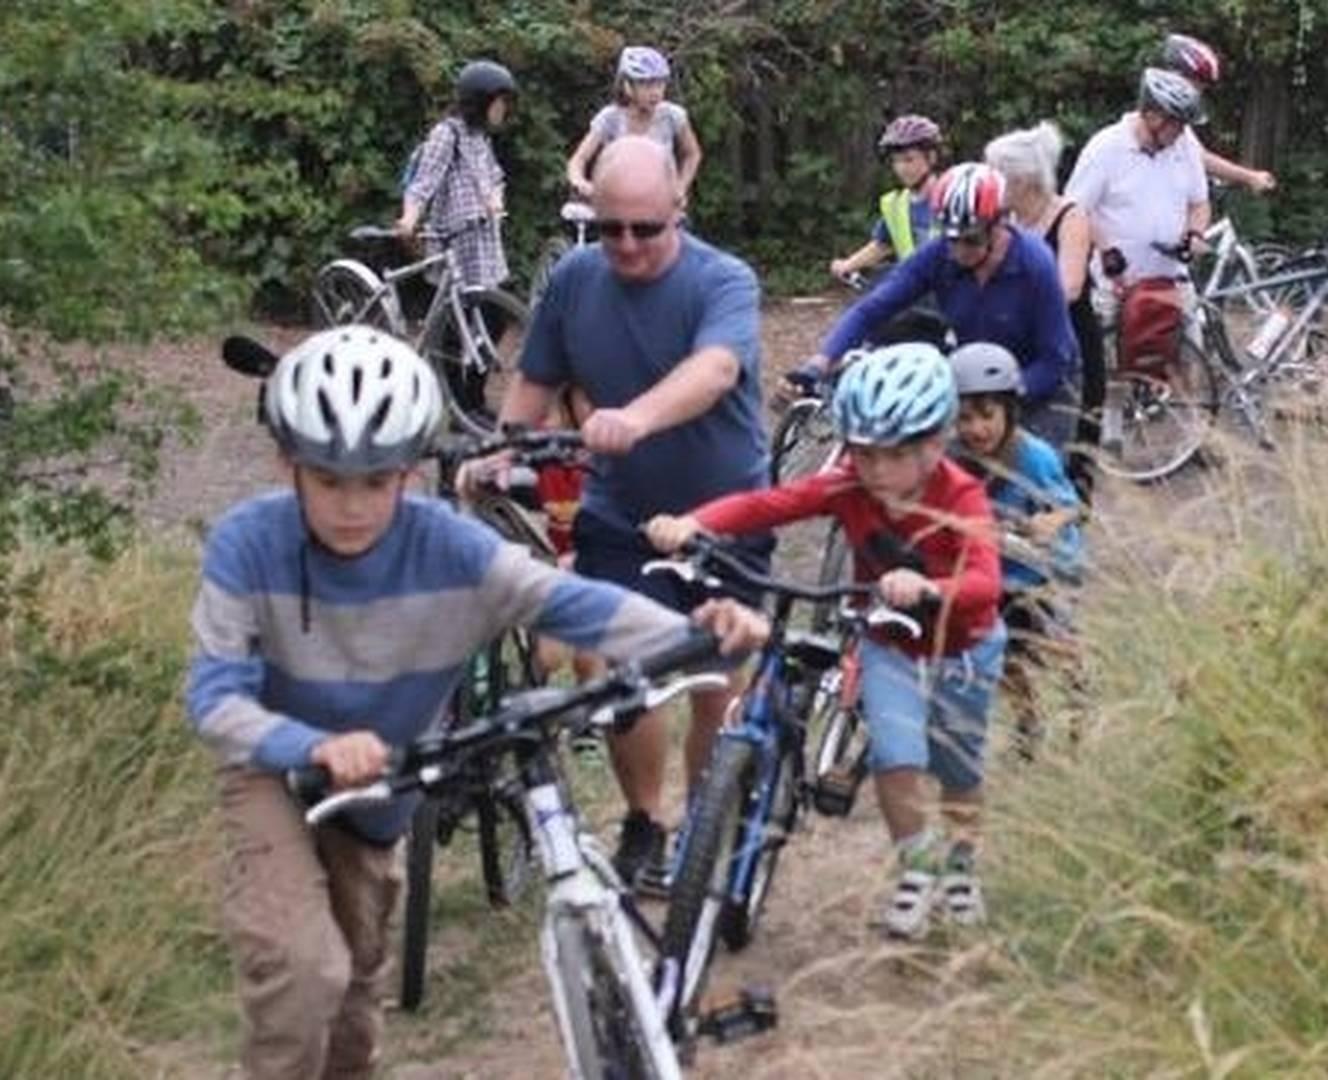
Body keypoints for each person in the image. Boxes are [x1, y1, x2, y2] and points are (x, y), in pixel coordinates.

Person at [185, 326, 767, 1078]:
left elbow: (566, 601)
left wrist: (699, 632)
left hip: (384, 783)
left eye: (378, 480)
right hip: (272, 767)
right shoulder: (247, 543)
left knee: (356, 985)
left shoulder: (449, 547)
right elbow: (215, 697)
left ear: (410, 475)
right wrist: (311, 748)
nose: (353, 505)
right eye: (329, 481)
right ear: (286, 466)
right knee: (304, 975)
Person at [473, 135, 771, 890]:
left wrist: (634, 419)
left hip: (725, 514)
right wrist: (504, 451)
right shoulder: (575, 281)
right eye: (612, 230)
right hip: (622, 514)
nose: (629, 245)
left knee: (716, 682)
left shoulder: (722, 280)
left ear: (678, 209)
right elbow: (535, 381)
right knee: (628, 677)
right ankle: (646, 821)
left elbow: (717, 369)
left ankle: (707, 819)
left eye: (647, 228)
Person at [647, 343, 1005, 940]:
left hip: (963, 646)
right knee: (897, 756)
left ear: (935, 447)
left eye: (893, 456)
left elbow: (986, 582)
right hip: (889, 642)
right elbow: (771, 504)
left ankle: (962, 868)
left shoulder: (960, 496)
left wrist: (930, 586)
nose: (875, 471)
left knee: (958, 770)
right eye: (863, 454)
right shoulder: (850, 485)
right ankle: (917, 868)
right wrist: (696, 522)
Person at [788, 163, 1082, 451]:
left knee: (1030, 479)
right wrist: (819, 363)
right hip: (978, 378)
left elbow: (1054, 359)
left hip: (1041, 380)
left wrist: (1003, 399)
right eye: (951, 239)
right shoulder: (939, 255)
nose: (959, 252)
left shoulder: (1035, 264)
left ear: (1000, 226)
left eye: (971, 240)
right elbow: (872, 310)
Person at [948, 342, 1084, 758]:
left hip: (1040, 570)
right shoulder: (955, 459)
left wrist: (1049, 522)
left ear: (1009, 412)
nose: (977, 429)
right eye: (965, 418)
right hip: (993, 574)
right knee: (1006, 654)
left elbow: (1071, 504)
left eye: (987, 415)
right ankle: (1028, 720)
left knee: (1048, 641)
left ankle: (1078, 699)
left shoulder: (1032, 455)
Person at [984, 121, 1103, 500]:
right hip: (1023, 343)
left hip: (1073, 343)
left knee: (1072, 456)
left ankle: (1069, 538)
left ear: (1022, 179)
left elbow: (1069, 287)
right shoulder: (1007, 221)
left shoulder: (1071, 217)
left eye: (996, 174)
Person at [1065, 68, 1212, 319]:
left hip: (1172, 283)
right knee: (1114, 355)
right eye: (1177, 124)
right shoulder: (1106, 147)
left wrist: (1194, 234)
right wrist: (1107, 251)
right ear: (1153, 116)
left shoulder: (1185, 146)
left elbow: (1200, 203)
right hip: (1118, 286)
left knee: (1187, 355)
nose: (1182, 132)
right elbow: (1075, 211)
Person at [397, 59, 515, 290]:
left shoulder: (480, 137)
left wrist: (495, 199)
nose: (503, 108)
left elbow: (494, 176)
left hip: (482, 238)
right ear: (481, 101)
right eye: (499, 102)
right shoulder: (447, 134)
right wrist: (409, 217)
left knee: (487, 311)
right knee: (456, 311)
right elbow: (424, 181)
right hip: (455, 239)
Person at [566, 45, 704, 203]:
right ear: (627, 86)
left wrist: (680, 187)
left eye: (660, 84)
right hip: (619, 207)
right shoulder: (610, 118)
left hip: (663, 207)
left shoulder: (673, 116)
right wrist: (580, 183)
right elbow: (578, 160)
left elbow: (692, 154)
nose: (655, 92)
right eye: (646, 85)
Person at [829, 114, 947, 282]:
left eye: (909, 159)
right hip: (916, 296)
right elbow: (881, 245)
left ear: (931, 157)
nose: (901, 168)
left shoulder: (954, 196)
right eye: (896, 161)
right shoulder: (896, 205)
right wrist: (847, 265)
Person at [1159, 33, 1277, 193]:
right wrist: (1249, 177)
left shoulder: (1179, 124)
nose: (1198, 93)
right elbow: (1201, 159)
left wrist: (1249, 177)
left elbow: (1199, 156)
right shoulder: (1159, 121)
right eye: (1197, 85)